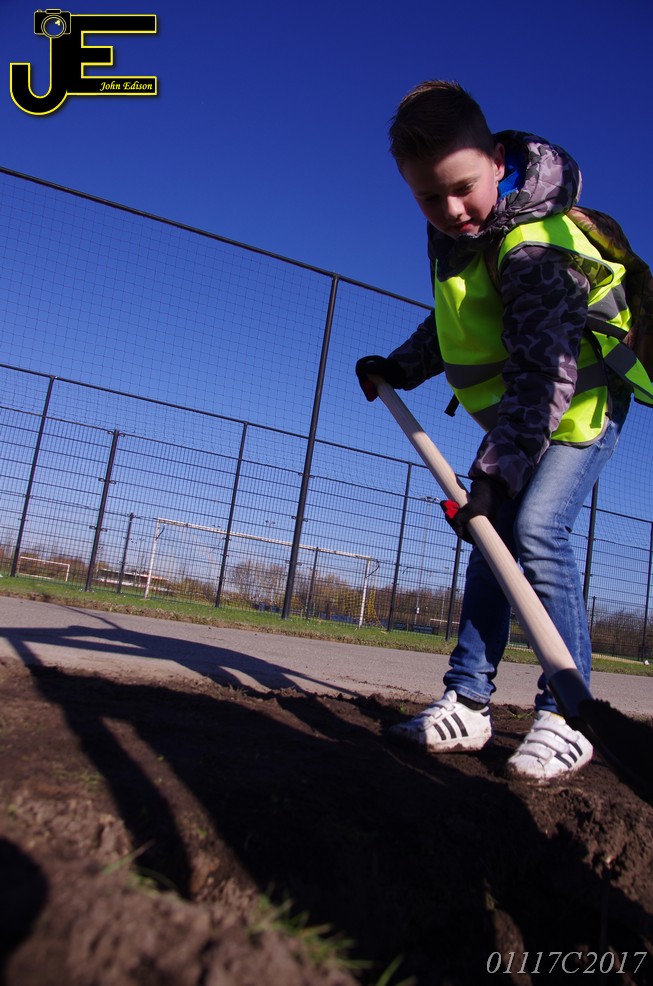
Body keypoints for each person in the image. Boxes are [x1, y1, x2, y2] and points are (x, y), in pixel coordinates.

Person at [356, 80, 653, 782]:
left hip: (577, 411)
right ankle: (467, 700)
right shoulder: (457, 240)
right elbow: (459, 323)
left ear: (496, 162)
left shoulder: (534, 249)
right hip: (521, 424)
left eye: (462, 188)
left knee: (536, 530)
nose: (451, 210)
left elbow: (543, 373)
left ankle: (566, 713)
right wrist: (400, 366)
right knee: (491, 537)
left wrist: (494, 477)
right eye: (429, 197)